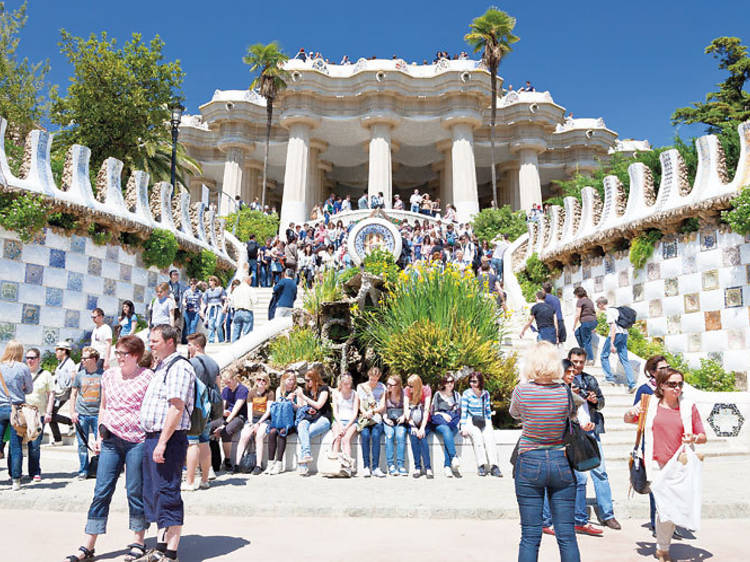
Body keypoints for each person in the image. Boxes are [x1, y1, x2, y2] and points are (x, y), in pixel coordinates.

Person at [62, 336, 154, 562]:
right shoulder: (109, 375)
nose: (118, 358)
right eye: (118, 354)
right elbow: (104, 405)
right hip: (111, 439)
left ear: (135, 356)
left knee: (134, 490)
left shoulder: (148, 377)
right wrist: (100, 436)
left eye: (123, 354)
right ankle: (88, 544)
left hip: (137, 440)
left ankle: (138, 540)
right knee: (101, 491)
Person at [624, 368, 707, 562]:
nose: (676, 388)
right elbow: (628, 420)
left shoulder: (688, 406)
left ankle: (663, 546)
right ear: (661, 386)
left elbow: (703, 436)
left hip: (679, 466)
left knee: (672, 508)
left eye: (680, 384)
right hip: (655, 464)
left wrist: (694, 437)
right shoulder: (650, 404)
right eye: (672, 384)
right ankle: (663, 549)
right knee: (664, 507)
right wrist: (631, 412)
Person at [510, 341, 581, 562]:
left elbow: (514, 414)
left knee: (530, 535)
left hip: (530, 457)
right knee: (567, 535)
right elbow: (571, 414)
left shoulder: (522, 391)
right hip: (560, 458)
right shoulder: (564, 392)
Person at [139, 324, 196, 562]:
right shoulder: (162, 367)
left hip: (168, 439)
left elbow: (176, 407)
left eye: (155, 341)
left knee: (168, 491)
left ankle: (171, 553)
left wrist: (162, 443)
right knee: (156, 493)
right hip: (154, 437)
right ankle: (160, 548)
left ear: (170, 342)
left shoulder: (179, 366)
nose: (150, 345)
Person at [567, 347, 620, 533]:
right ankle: (576, 516)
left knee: (600, 471)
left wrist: (595, 400)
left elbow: (602, 402)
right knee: (578, 476)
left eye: (581, 362)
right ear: (569, 361)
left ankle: (607, 515)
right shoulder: (564, 380)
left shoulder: (590, 379)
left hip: (591, 431)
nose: (578, 366)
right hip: (573, 432)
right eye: (574, 362)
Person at [541, 359, 595, 535]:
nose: (572, 374)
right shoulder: (558, 392)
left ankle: (575, 520)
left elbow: (572, 415)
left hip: (568, 442)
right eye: (568, 372)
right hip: (558, 445)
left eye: (573, 372)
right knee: (573, 480)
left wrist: (582, 425)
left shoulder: (565, 390)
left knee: (578, 480)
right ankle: (550, 520)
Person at [633, 355, 670, 537]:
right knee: (656, 485)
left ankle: (669, 522)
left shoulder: (672, 388)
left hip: (671, 444)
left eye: (668, 367)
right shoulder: (645, 390)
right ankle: (659, 525)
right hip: (652, 443)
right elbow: (635, 417)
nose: (666, 371)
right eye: (662, 368)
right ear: (653, 372)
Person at [183, 333, 220, 491]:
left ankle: (190, 480)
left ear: (197, 345)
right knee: (205, 442)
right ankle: (205, 479)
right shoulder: (213, 363)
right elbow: (219, 385)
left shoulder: (192, 363)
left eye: (190, 345)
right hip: (208, 408)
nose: (188, 348)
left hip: (196, 407)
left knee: (192, 443)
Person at [0, 340, 33, 491]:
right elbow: (29, 390)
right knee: (16, 445)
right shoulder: (23, 368)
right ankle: (16, 480)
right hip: (17, 410)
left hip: (0, 408)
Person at [71, 347, 104, 480]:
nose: (82, 360)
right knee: (81, 444)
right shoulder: (79, 375)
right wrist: (72, 412)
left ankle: (100, 470)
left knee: (101, 444)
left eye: (85, 358)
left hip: (97, 414)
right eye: (82, 358)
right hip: (82, 413)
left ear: (94, 359)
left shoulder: (103, 374)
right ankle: (83, 470)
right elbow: (73, 394)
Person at [460, 371, 501, 477]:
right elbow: (463, 411)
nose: (471, 384)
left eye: (474, 381)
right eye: (470, 381)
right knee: (477, 437)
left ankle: (494, 466)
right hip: (470, 419)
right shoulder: (467, 394)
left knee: (489, 438)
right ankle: (481, 465)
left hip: (483, 419)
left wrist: (489, 424)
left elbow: (487, 411)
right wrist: (463, 426)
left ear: (480, 382)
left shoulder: (485, 394)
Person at [234, 373, 275, 476]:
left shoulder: (270, 393)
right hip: (252, 419)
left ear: (267, 382)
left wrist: (259, 423)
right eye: (259, 380)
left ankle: (258, 465)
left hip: (265, 419)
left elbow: (268, 411)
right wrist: (251, 423)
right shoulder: (251, 393)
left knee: (260, 436)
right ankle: (237, 463)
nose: (261, 382)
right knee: (244, 436)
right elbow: (249, 409)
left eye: (263, 380)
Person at [23, 347, 54, 482]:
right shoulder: (22, 373)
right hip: (22, 414)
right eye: (28, 358)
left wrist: (49, 412)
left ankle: (35, 471)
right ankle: (15, 472)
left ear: (38, 359)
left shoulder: (46, 374)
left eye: (32, 358)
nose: (29, 360)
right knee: (17, 445)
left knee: (35, 446)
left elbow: (51, 394)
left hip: (38, 415)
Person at [208, 371, 248, 471]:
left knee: (226, 431)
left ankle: (227, 459)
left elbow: (236, 410)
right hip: (226, 416)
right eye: (225, 383)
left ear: (234, 379)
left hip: (239, 417)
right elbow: (223, 405)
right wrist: (222, 412)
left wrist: (224, 424)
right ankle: (214, 460)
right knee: (208, 427)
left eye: (229, 382)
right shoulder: (226, 390)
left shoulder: (242, 390)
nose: (227, 385)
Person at [295, 367, 332, 475]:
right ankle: (306, 454)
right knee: (302, 425)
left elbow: (319, 405)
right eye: (305, 380)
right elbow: (302, 406)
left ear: (315, 379)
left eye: (308, 380)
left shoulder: (324, 389)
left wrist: (304, 398)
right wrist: (298, 399)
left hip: (323, 418)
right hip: (309, 417)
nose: (307, 383)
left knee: (305, 434)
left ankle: (303, 465)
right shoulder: (306, 390)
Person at [596, 296, 636, 392]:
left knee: (604, 356)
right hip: (624, 334)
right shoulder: (616, 310)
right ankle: (632, 384)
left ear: (601, 304)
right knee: (625, 360)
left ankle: (609, 378)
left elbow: (613, 327)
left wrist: (612, 343)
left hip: (615, 335)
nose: (597, 307)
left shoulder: (609, 311)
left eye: (597, 304)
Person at [266, 369, 298, 475]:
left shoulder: (298, 390)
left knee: (282, 432)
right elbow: (277, 406)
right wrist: (285, 399)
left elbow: (301, 408)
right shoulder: (279, 390)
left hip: (292, 421)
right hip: (280, 420)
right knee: (272, 432)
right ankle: (270, 463)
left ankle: (279, 464)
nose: (291, 382)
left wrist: (292, 402)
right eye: (289, 379)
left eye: (293, 379)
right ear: (284, 380)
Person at [430, 373, 461, 478]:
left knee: (450, 435)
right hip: (439, 423)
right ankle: (453, 457)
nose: (450, 384)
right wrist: (443, 414)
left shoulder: (457, 395)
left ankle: (447, 466)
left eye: (451, 381)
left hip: (452, 423)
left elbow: (459, 412)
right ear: (444, 383)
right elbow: (433, 411)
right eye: (447, 382)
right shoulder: (438, 394)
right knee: (447, 431)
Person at [356, 366, 386, 478]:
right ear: (368, 376)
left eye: (375, 379)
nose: (373, 381)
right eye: (371, 379)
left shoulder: (382, 387)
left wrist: (372, 412)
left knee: (376, 435)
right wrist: (365, 412)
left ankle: (376, 467)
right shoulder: (361, 387)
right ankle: (366, 466)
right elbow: (359, 404)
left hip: (376, 417)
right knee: (365, 435)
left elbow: (382, 406)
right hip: (364, 418)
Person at [49, 341, 77, 445]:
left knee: (51, 414)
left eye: (58, 350)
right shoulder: (61, 363)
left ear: (64, 351)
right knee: (51, 415)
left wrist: (73, 392)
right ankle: (58, 439)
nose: (56, 352)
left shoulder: (70, 363)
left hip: (64, 393)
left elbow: (73, 376)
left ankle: (69, 422)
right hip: (58, 392)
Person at [329, 373, 359, 469]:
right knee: (337, 438)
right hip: (339, 421)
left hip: (351, 421)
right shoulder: (335, 393)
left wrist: (346, 426)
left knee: (346, 439)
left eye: (349, 383)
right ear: (341, 383)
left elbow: (355, 413)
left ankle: (347, 465)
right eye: (345, 383)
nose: (348, 386)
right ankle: (333, 465)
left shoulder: (355, 394)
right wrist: (341, 425)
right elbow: (335, 412)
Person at [405, 374, 432, 478]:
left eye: (412, 386)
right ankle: (417, 467)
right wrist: (414, 427)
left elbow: (426, 411)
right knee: (413, 437)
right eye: (409, 385)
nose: (409, 388)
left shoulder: (426, 390)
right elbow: (406, 411)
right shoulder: (407, 390)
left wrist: (422, 428)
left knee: (423, 438)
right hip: (412, 422)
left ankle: (428, 468)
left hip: (425, 422)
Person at [382, 374, 408, 476]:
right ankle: (391, 465)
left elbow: (406, 408)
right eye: (387, 384)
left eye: (391, 385)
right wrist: (385, 419)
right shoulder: (385, 393)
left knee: (400, 435)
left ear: (397, 385)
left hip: (400, 419)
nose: (388, 386)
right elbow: (383, 410)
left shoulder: (403, 393)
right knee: (389, 435)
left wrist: (403, 417)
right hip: (389, 419)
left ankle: (401, 465)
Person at [572, 287, 597, 364]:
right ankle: (582, 349)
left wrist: (574, 325)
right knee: (577, 333)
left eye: (575, 295)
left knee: (587, 341)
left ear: (577, 294)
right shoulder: (589, 301)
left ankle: (590, 359)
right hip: (593, 322)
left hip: (586, 322)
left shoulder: (580, 301)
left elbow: (577, 315)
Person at [229, 276, 256, 342]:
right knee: (247, 334)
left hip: (237, 311)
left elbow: (232, 302)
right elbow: (255, 301)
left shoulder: (236, 289)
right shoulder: (250, 289)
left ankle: (234, 348)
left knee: (235, 333)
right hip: (247, 311)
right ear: (248, 280)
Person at [202, 276, 226, 344]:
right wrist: (202, 311)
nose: (209, 282)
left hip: (218, 308)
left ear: (215, 282)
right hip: (210, 308)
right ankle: (211, 340)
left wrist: (225, 307)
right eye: (209, 280)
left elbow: (225, 299)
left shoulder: (220, 289)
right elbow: (205, 302)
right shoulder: (207, 291)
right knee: (211, 325)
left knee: (218, 324)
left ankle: (221, 340)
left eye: (211, 280)